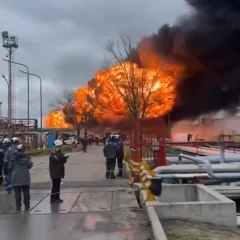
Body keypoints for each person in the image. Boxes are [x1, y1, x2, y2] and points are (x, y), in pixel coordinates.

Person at [12, 144, 33, 211]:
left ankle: (18, 206)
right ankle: (27, 205)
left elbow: (9, 166)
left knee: (17, 193)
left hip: (16, 178)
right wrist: (29, 159)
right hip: (25, 178)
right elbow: (30, 166)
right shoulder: (26, 159)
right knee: (26, 192)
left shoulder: (14, 159)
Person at [49, 139, 69, 203]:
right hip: (54, 172)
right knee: (55, 185)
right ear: (56, 146)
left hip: (59, 171)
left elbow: (61, 161)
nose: (60, 147)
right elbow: (57, 160)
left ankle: (57, 197)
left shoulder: (60, 153)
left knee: (58, 185)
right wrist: (63, 159)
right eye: (59, 146)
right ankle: (53, 198)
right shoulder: (53, 153)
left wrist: (64, 159)